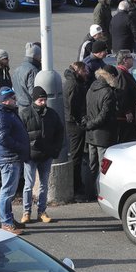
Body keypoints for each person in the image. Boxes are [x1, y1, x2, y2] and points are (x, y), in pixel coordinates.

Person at [0, 87, 30, 234]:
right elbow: (3, 138)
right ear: (6, 100)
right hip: (9, 158)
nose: (15, 100)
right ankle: (6, 223)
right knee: (7, 191)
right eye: (13, 98)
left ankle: (9, 219)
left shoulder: (6, 112)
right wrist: (20, 147)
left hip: (12, 157)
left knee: (9, 191)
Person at [19, 86, 64, 224]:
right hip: (30, 156)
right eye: (40, 100)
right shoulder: (25, 114)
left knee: (44, 185)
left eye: (45, 100)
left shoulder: (52, 114)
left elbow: (60, 132)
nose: (43, 103)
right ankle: (26, 212)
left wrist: (55, 151)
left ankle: (41, 211)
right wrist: (24, 153)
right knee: (29, 184)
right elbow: (20, 135)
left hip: (46, 155)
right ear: (34, 101)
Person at [85, 65, 119, 197]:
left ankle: (89, 193)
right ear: (111, 76)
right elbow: (104, 116)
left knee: (91, 165)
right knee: (103, 166)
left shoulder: (91, 88)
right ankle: (101, 193)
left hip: (91, 134)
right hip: (103, 135)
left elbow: (89, 110)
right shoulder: (108, 92)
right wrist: (92, 124)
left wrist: (89, 125)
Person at [63, 60, 90, 200]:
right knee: (76, 157)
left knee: (77, 156)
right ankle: (76, 188)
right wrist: (80, 121)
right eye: (84, 71)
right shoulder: (74, 85)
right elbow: (73, 107)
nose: (87, 73)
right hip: (74, 125)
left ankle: (77, 186)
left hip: (73, 122)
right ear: (78, 70)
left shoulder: (74, 82)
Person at [114, 50, 136, 143]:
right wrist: (127, 111)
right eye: (131, 58)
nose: (133, 59)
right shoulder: (121, 74)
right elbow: (121, 94)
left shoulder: (125, 73)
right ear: (125, 60)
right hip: (125, 118)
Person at [12, 42, 41, 107]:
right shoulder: (33, 70)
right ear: (37, 56)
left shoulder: (17, 69)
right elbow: (33, 92)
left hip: (19, 105)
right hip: (29, 107)